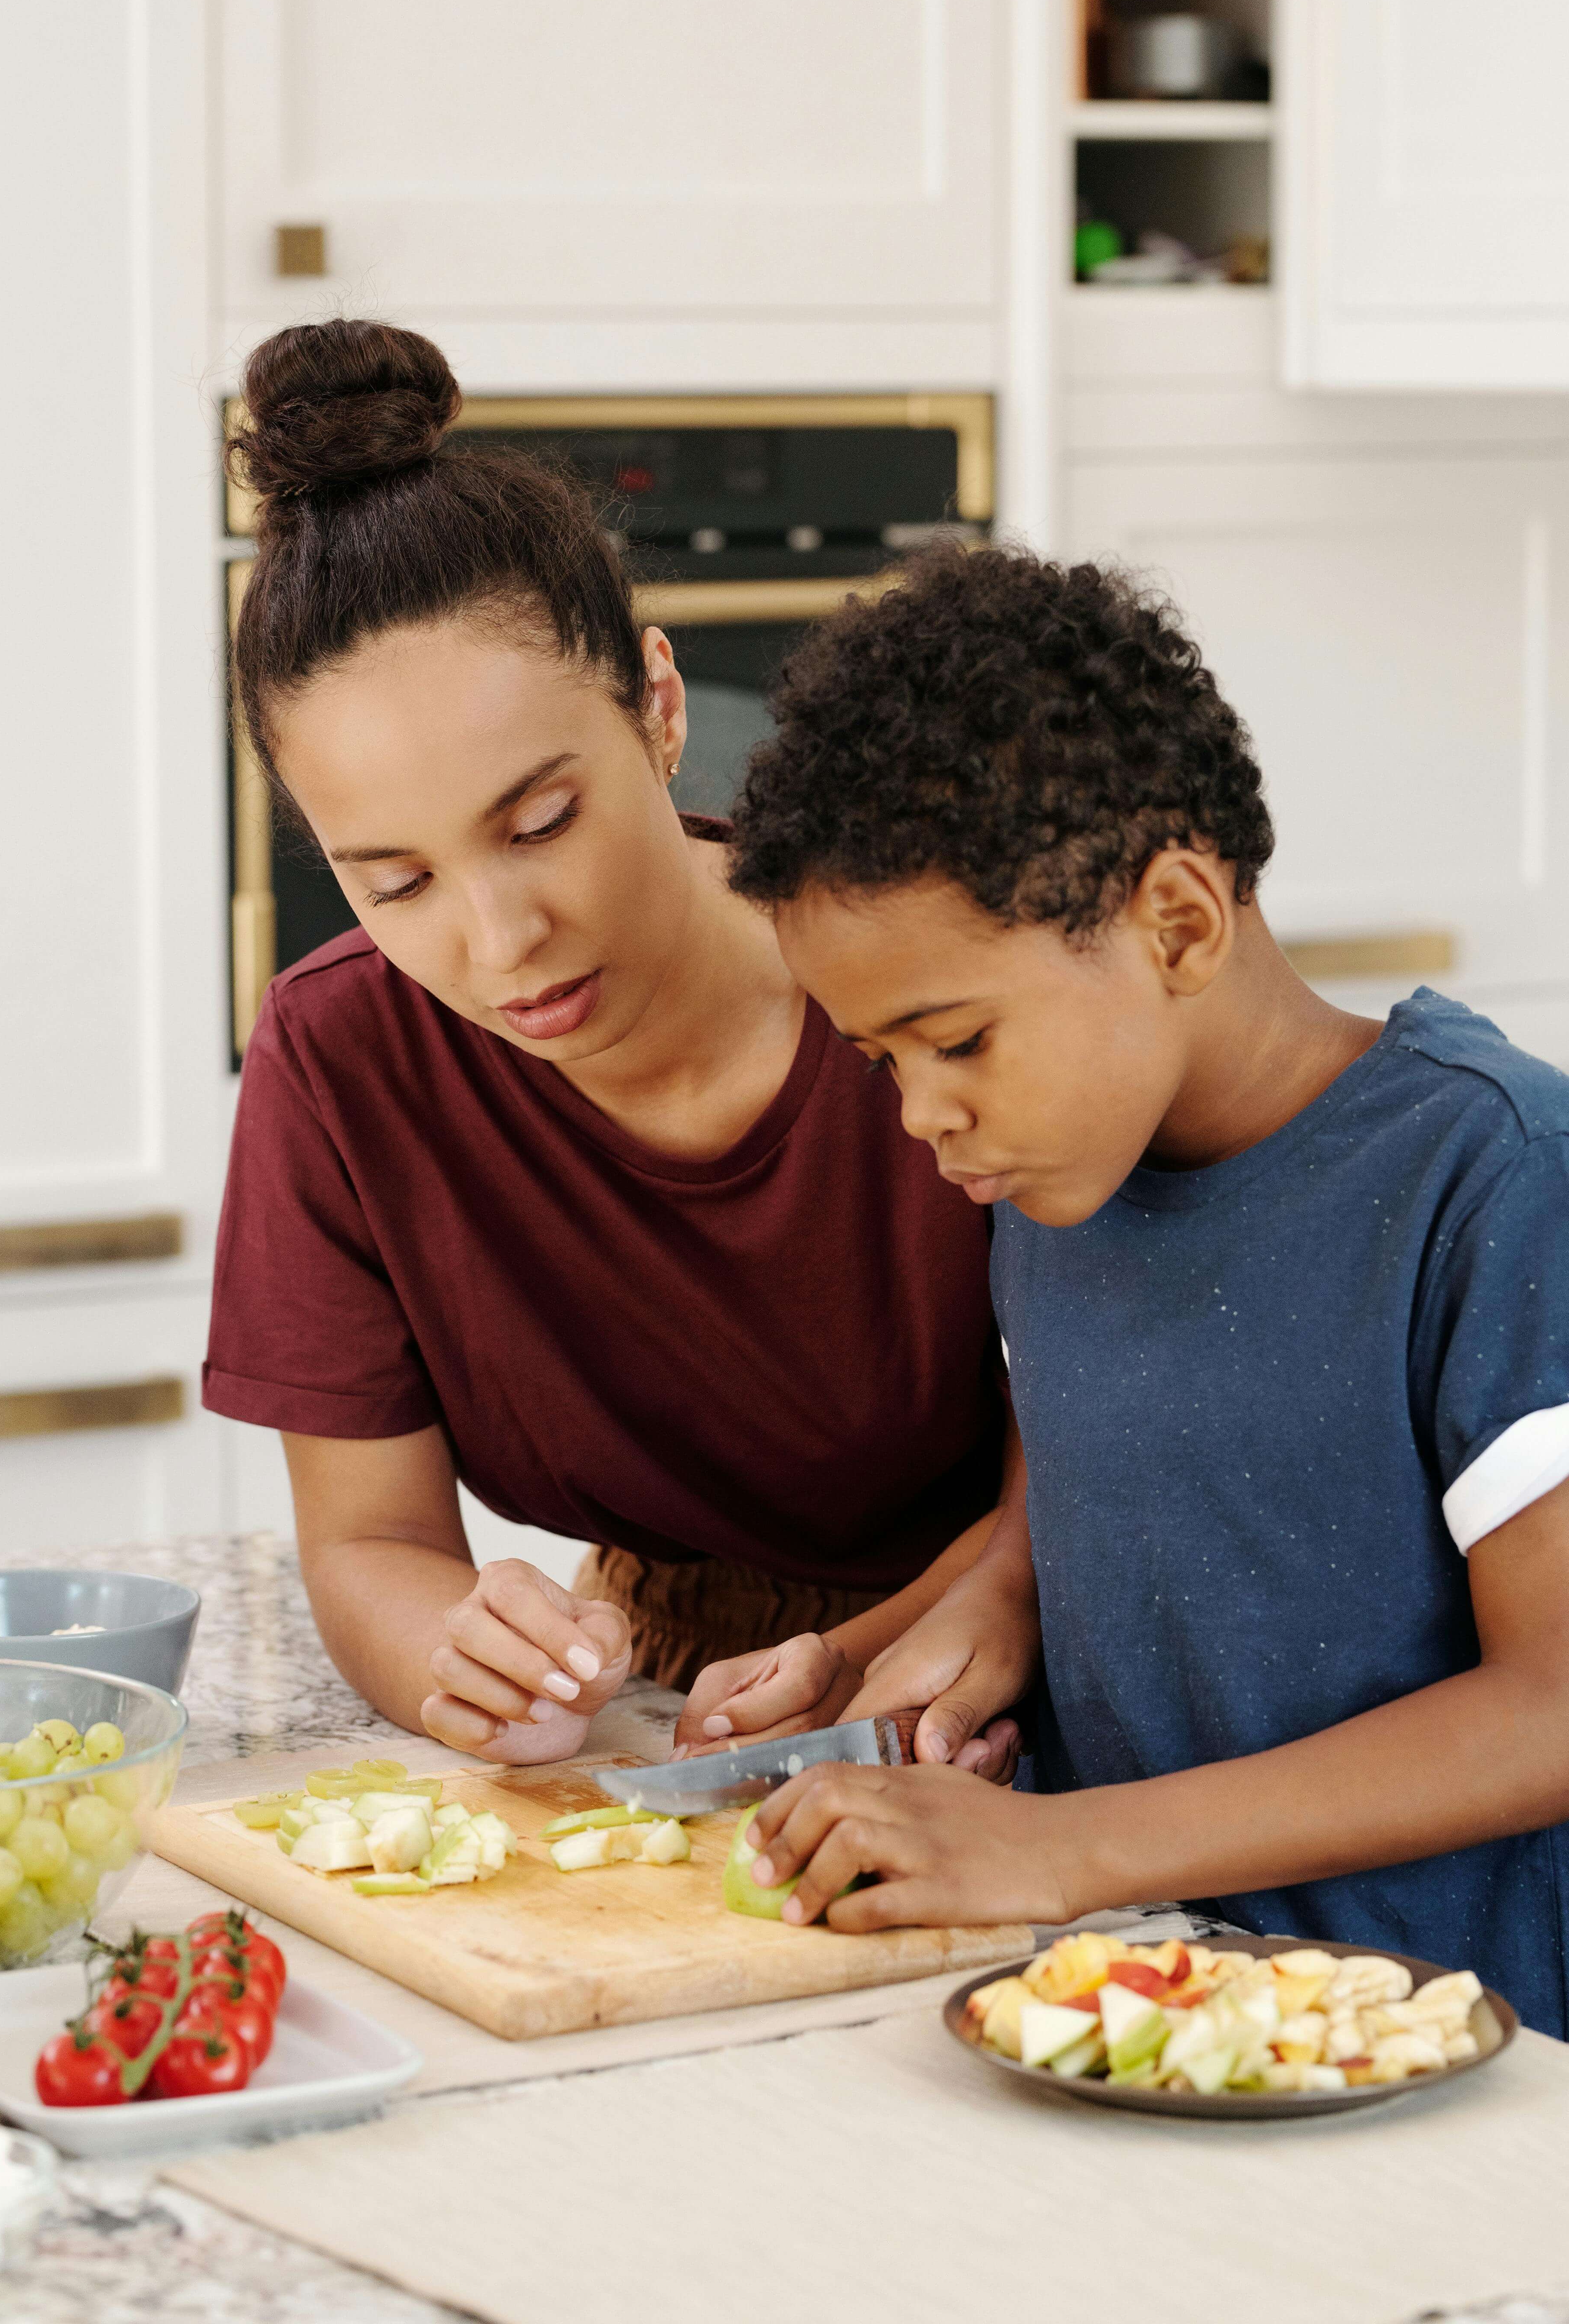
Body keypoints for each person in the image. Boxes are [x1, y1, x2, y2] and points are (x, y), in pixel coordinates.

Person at [720, 541, 1569, 2036]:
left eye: (958, 1040)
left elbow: (1556, 1704)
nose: (921, 1113)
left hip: (1433, 2056)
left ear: (1177, 919)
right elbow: (1089, 1501)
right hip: (1120, 2010)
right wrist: (895, 1654)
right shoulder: (1060, 1181)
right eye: (883, 1062)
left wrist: (1064, 1850)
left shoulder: (1491, 1177)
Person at [202, 318, 1032, 1773]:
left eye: (540, 825)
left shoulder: (932, 976)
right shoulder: (340, 1061)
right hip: (674, 1708)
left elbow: (1128, 1443)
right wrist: (456, 1650)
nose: (497, 937)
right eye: (395, 883)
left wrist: (886, 1657)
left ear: (658, 706)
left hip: (1021, 1656)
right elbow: (371, 1543)